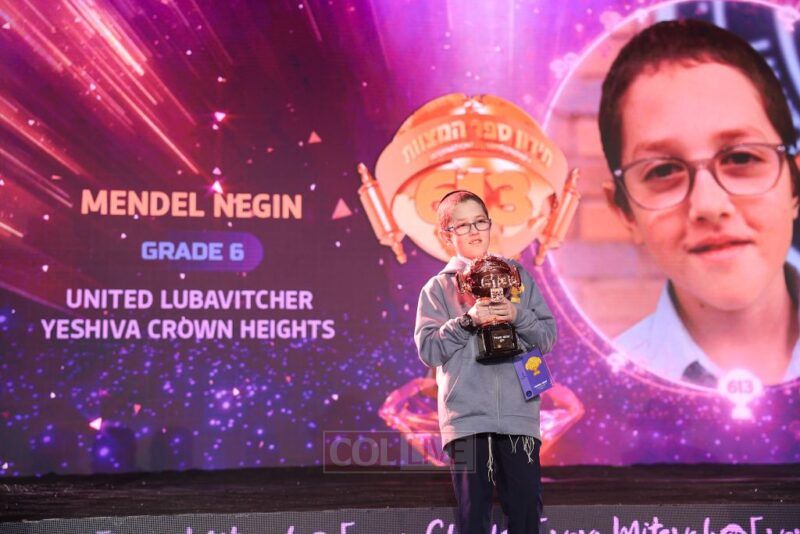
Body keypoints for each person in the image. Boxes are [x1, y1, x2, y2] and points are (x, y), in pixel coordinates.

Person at [598, 19, 800, 388]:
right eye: (662, 170)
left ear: (795, 185)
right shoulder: (597, 396)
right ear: (625, 211)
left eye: (741, 158)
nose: (708, 205)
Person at [414, 190, 557, 534]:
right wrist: (468, 321)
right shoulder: (438, 288)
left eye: (480, 222)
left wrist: (517, 315)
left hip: (518, 417)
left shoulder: (518, 277)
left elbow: (547, 338)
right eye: (463, 225)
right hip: (467, 421)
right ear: (446, 235)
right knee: (473, 516)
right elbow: (429, 351)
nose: (475, 231)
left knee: (525, 513)